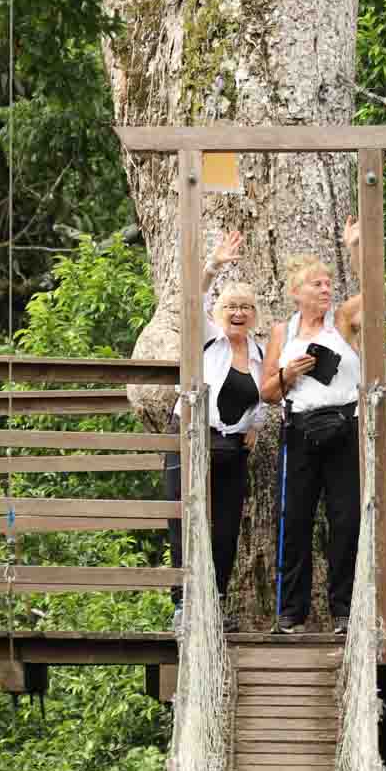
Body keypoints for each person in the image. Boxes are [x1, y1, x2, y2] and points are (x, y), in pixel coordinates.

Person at [259, 218, 364, 635]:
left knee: (345, 519)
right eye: (316, 284)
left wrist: (355, 247)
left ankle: (343, 610)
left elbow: (377, 295)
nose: (324, 289)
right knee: (295, 517)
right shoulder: (282, 332)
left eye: (327, 283)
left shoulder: (342, 322)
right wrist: (289, 373)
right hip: (300, 429)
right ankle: (291, 612)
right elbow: (267, 392)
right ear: (296, 292)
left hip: (344, 427)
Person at [163, 229, 265, 631]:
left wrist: (254, 425)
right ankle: (184, 606)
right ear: (220, 312)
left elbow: (266, 394)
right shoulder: (209, 339)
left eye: (246, 307)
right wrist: (212, 266)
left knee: (225, 527)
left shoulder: (257, 354)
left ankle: (215, 605)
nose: (238, 313)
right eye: (231, 307)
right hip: (192, 436)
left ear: (255, 314)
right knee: (186, 521)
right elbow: (194, 302)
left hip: (232, 448)